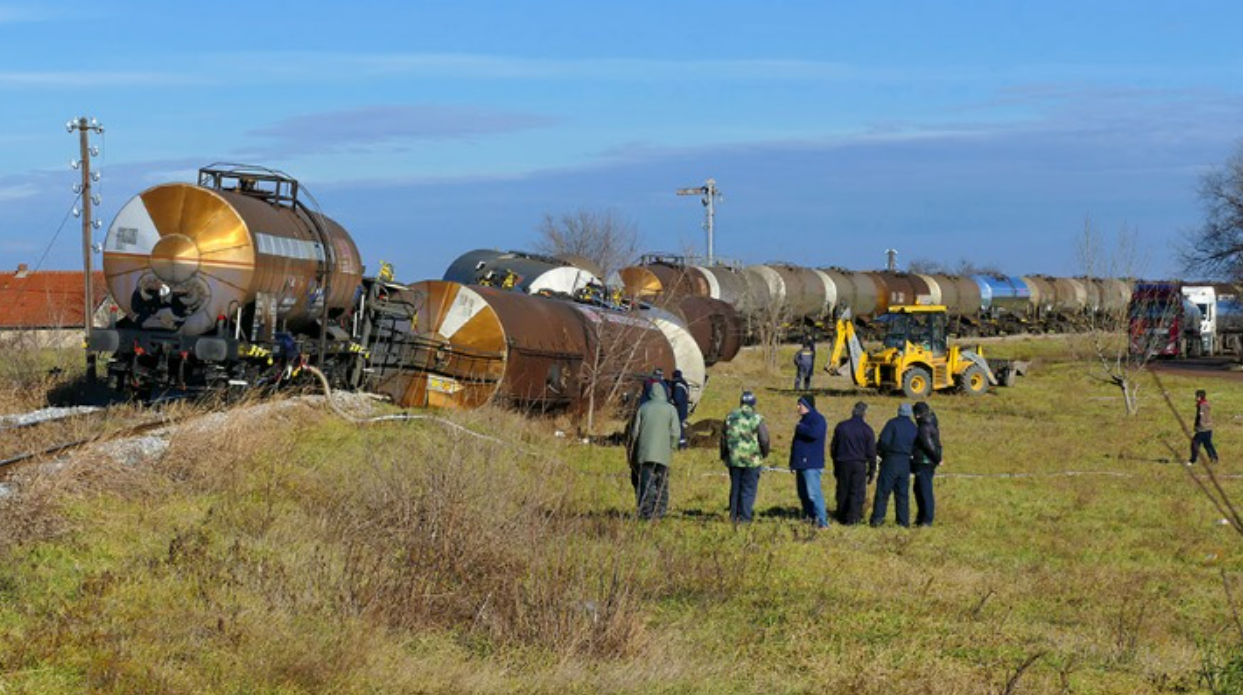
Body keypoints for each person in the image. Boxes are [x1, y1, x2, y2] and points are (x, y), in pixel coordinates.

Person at [629, 380, 681, 520]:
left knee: (646, 484)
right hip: (663, 455)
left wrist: (635, 449)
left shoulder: (643, 408)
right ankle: (660, 512)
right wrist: (671, 447)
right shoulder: (671, 409)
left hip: (644, 453)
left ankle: (646, 513)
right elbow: (676, 433)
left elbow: (635, 433)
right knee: (662, 484)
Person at [721, 390, 771, 523]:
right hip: (752, 460)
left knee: (735, 487)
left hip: (734, 459)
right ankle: (744, 517)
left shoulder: (730, 417)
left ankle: (734, 516)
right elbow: (764, 439)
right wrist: (764, 453)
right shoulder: (757, 418)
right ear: (753, 403)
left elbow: (723, 438)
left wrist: (724, 455)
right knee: (748, 489)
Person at [870, 402, 917, 527]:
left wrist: (880, 452)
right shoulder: (913, 427)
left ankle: (877, 519)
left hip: (891, 460)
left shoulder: (892, 424)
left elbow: (884, 441)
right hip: (905, 462)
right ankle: (903, 521)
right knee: (902, 494)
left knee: (883, 491)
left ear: (899, 411)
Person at [830, 401, 876, 525]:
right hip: (859, 464)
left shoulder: (841, 427)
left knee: (843, 490)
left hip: (843, 462)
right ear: (864, 414)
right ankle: (853, 518)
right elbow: (871, 452)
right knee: (857, 492)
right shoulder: (867, 430)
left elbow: (833, 447)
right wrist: (872, 470)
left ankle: (841, 515)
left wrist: (835, 463)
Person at [789, 394, 828, 528]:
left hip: (811, 463)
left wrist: (800, 428)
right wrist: (793, 462)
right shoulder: (803, 420)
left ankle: (822, 522)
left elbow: (814, 434)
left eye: (800, 404)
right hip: (800, 463)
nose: (798, 407)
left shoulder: (817, 419)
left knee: (814, 493)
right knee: (803, 494)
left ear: (808, 405)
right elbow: (796, 444)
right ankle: (810, 517)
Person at [912, 401, 942, 526]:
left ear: (918, 414)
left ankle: (926, 519)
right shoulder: (931, 423)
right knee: (919, 489)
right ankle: (922, 517)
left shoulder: (924, 427)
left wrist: (937, 459)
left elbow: (928, 445)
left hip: (924, 462)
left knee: (924, 490)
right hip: (927, 462)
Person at [1190, 388, 1220, 465]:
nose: (1195, 397)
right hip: (1209, 428)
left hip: (1203, 429)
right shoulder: (1205, 404)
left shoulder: (1201, 406)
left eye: (1196, 396)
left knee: (1194, 444)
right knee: (1208, 444)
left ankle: (1192, 460)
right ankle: (1214, 458)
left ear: (1199, 397)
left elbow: (1200, 417)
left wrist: (1197, 426)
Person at [668, 369, 692, 449]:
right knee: (680, 425)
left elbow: (677, 398)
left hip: (679, 409)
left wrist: (671, 401)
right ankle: (682, 442)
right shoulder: (684, 383)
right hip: (683, 408)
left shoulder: (678, 385)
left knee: (678, 425)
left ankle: (682, 444)